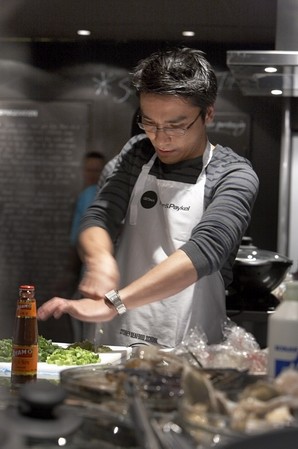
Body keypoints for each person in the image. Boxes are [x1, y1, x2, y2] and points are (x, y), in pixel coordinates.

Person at [38, 47, 259, 348]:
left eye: (176, 126)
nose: (160, 138)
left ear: (208, 114)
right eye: (150, 122)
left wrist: (115, 302)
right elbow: (98, 216)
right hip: (117, 338)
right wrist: (100, 261)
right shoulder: (136, 154)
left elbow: (204, 251)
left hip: (189, 345)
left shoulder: (233, 175)